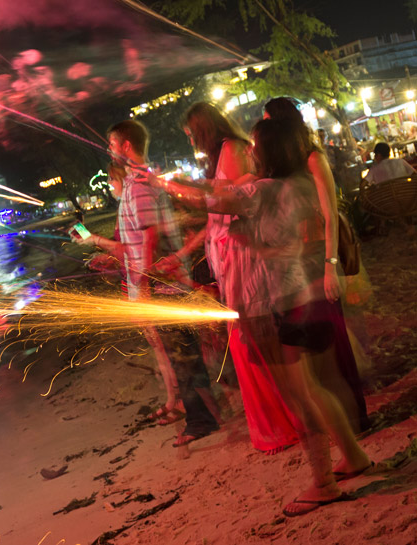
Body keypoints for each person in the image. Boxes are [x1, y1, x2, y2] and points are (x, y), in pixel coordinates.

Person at [156, 118, 371, 517]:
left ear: (271, 149)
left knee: (299, 396)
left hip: (272, 302)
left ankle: (323, 483)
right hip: (302, 294)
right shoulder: (299, 184)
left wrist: (163, 185)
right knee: (317, 387)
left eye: (256, 144)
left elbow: (214, 202)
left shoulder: (265, 190)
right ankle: (354, 456)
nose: (249, 150)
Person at [169, 102, 301, 454]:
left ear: (203, 128)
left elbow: (223, 201)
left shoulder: (233, 149)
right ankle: (276, 424)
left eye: (192, 133)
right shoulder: (224, 154)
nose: (190, 140)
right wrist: (185, 252)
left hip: (243, 257)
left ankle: (283, 424)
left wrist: (178, 189)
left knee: (251, 341)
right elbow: (215, 207)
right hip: (230, 258)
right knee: (244, 342)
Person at [106, 120, 219, 446]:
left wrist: (142, 281)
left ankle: (203, 420)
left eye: (113, 144)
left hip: (162, 284)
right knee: (181, 353)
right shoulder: (137, 183)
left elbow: (150, 235)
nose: (110, 150)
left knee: (182, 354)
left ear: (126, 145)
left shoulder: (140, 185)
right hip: (161, 281)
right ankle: (202, 415)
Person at [264, 98, 368, 433]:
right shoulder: (287, 163)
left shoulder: (313, 157)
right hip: (299, 264)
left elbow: (329, 216)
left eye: (266, 121)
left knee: (334, 342)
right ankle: (340, 421)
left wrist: (330, 267)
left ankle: (356, 422)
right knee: (320, 349)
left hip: (319, 259)